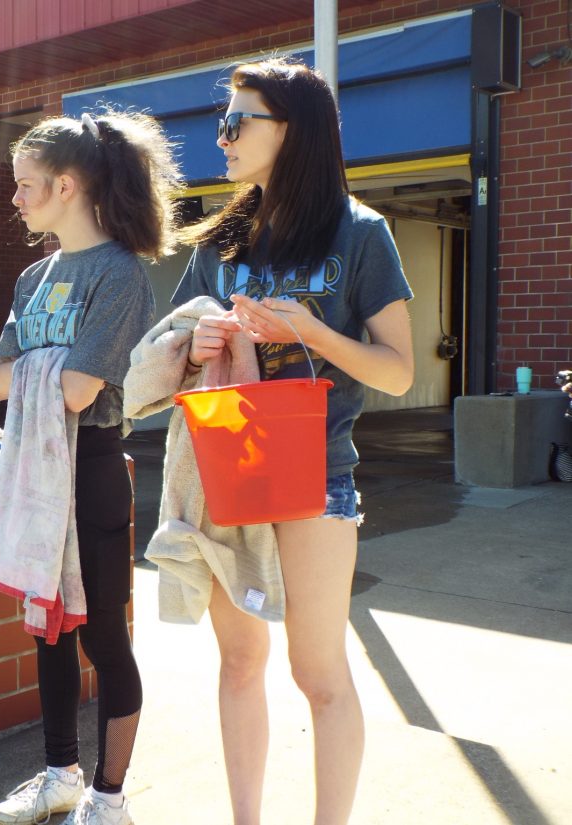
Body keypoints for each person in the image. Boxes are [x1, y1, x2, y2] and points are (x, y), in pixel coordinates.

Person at [173, 58, 415, 824]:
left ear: (294, 128)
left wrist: (312, 330)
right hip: (228, 470)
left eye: (239, 120)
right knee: (240, 661)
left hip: (317, 477)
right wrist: (199, 336)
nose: (224, 135)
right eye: (223, 121)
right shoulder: (226, 234)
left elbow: (402, 370)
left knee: (320, 675)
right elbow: (175, 345)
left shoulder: (361, 231)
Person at [0, 110, 181, 825]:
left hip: (93, 466)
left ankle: (107, 795)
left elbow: (73, 392)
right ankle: (59, 773)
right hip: (40, 470)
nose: (15, 199)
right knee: (48, 625)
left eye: (26, 185)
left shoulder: (121, 274)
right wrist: (52, 367)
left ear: (66, 186)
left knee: (102, 635)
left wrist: (42, 368)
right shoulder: (35, 276)